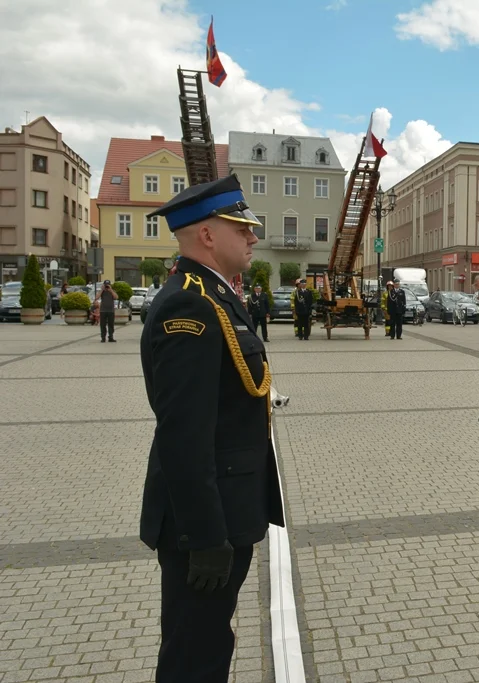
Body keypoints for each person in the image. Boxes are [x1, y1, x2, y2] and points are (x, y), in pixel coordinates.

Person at [140, 174, 285, 682]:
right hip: (204, 525)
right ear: (206, 234)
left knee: (207, 643)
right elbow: (184, 436)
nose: (253, 237)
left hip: (223, 513)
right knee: (193, 656)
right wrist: (205, 537)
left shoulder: (212, 295)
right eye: (241, 227)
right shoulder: (191, 306)